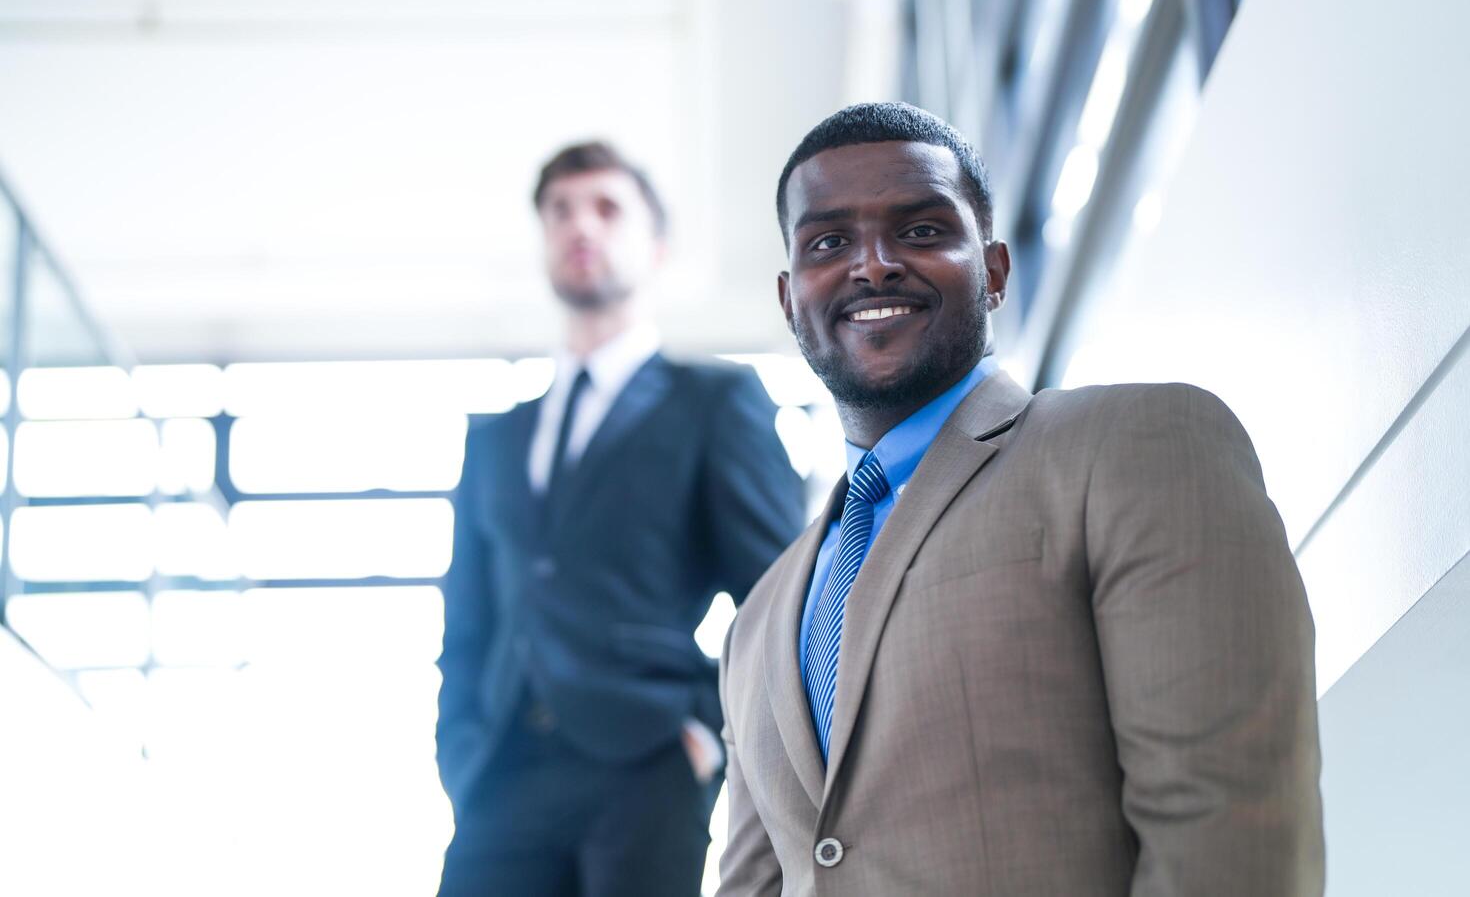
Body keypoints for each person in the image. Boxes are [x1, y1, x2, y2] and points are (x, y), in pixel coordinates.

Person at [717, 103, 1324, 895]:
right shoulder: (759, 618)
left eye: (922, 230)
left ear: (994, 271)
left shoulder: (1134, 447)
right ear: (790, 299)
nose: (873, 265)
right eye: (829, 242)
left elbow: (1228, 829)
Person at [436, 141, 806, 896]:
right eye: (560, 211)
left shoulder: (712, 403)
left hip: (647, 760)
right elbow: (466, 620)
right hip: (500, 772)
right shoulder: (496, 440)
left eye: (608, 208)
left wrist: (706, 733)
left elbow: (777, 599)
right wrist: (460, 749)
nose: (582, 227)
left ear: (657, 246)